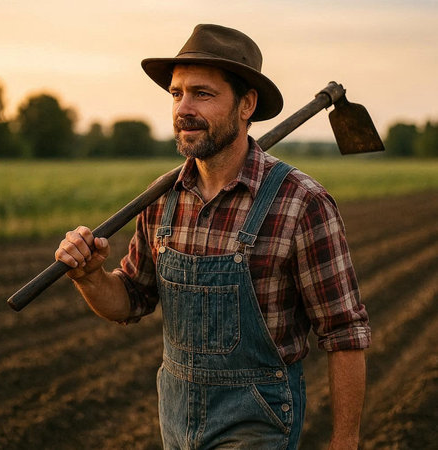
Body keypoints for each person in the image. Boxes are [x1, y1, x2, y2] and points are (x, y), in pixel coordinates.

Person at [55, 24, 370, 450]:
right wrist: (90, 276)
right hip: (177, 419)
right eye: (176, 93)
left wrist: (345, 441)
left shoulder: (300, 203)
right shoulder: (161, 198)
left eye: (202, 94)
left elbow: (344, 332)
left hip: (258, 422)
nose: (183, 107)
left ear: (247, 105)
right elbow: (131, 299)